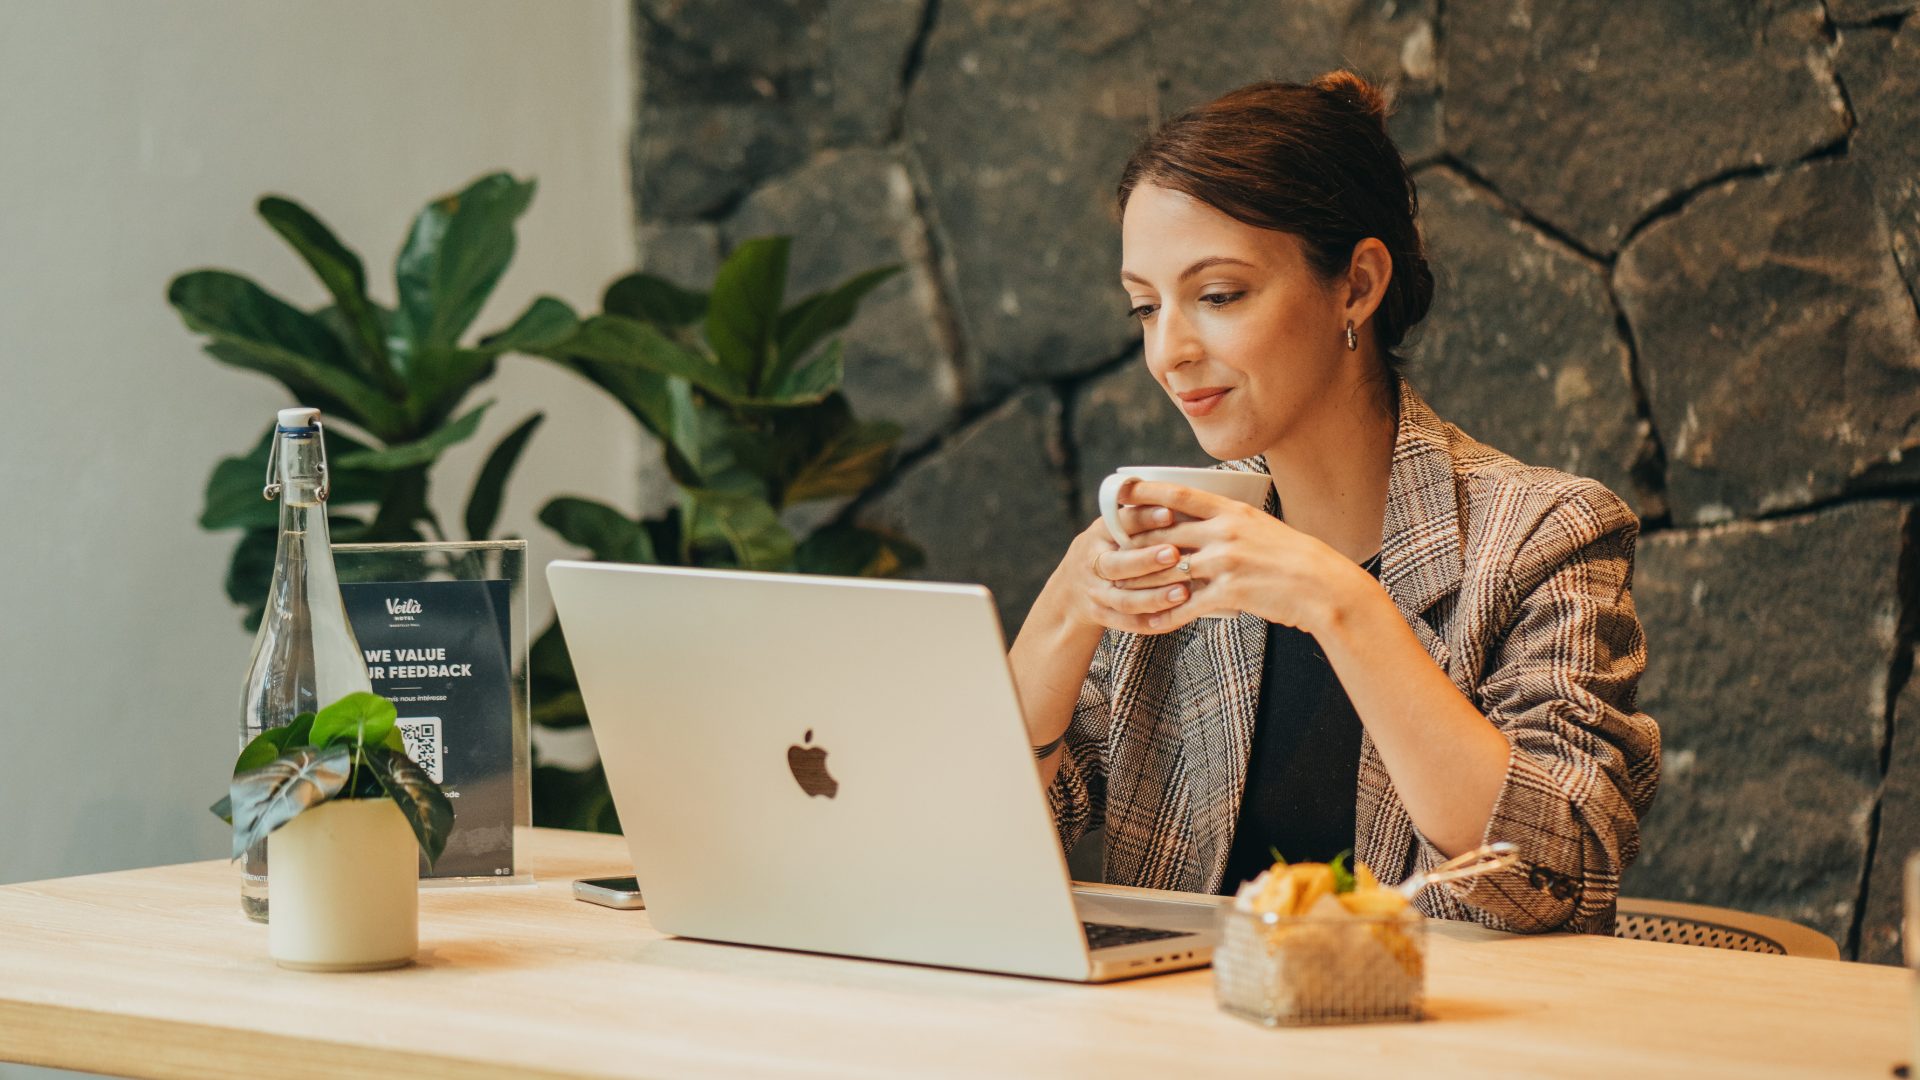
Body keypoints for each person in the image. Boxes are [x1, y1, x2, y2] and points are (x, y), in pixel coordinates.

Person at [1007, 71, 1661, 935]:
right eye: (1145, 308)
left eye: (1218, 296)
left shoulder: (1542, 536)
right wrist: (1065, 608)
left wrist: (1340, 603)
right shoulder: (1174, 554)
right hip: (1180, 1017)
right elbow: (977, 850)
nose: (1169, 352)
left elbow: (1558, 871)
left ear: (1356, 285)